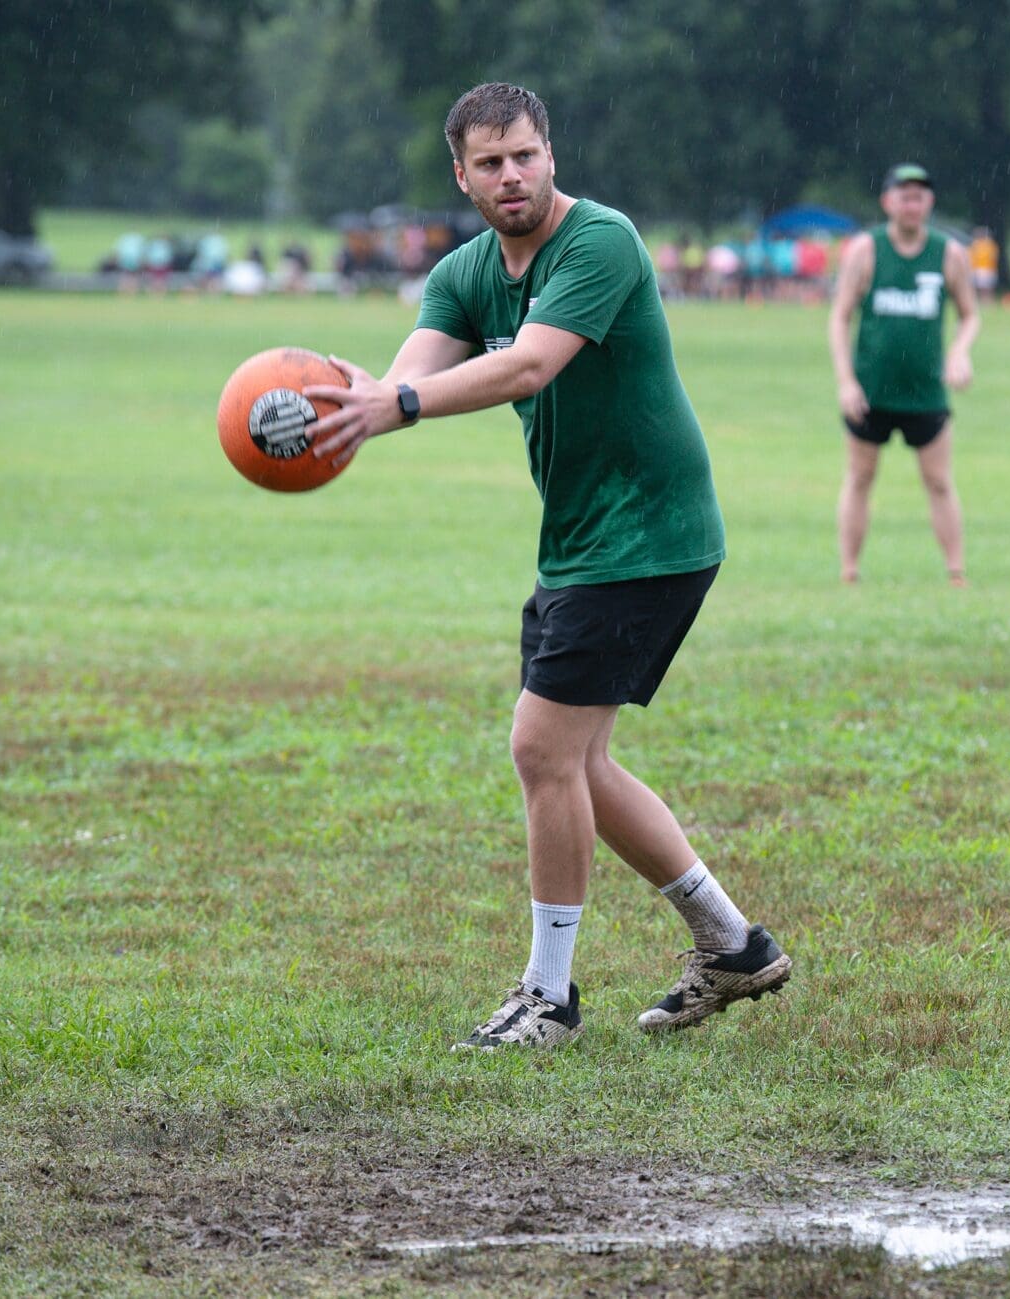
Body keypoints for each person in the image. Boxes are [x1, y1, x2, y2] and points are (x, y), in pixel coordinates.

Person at [301, 82, 793, 1050]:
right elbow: (411, 375)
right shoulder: (463, 274)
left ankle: (549, 997)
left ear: (549, 153)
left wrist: (391, 407)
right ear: (461, 175)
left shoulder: (599, 242)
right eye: (488, 163)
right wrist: (340, 406)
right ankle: (733, 946)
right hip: (580, 538)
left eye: (523, 154)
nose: (510, 175)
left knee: (540, 749)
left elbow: (526, 366)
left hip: (650, 532)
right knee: (578, 761)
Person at [827, 162, 981, 586]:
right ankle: (850, 573)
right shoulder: (866, 251)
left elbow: (970, 315)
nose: (912, 204)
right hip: (871, 390)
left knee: (938, 481)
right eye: (904, 196)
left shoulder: (948, 254)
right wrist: (846, 381)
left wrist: (959, 352)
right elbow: (839, 318)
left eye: (920, 196)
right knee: (859, 477)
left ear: (929, 202)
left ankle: (956, 572)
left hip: (925, 391)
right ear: (888, 202)